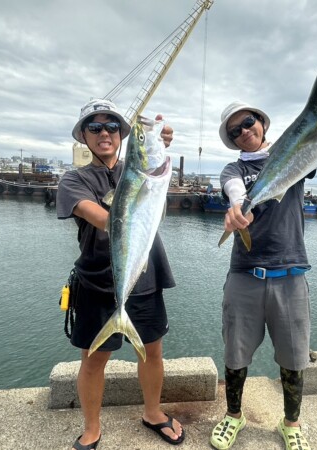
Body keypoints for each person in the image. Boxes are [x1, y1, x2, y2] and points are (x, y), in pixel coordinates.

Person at [57, 98, 184, 449]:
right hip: (97, 282)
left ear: (122, 134)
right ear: (84, 135)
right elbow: (103, 219)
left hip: (147, 278)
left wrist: (156, 142)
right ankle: (92, 426)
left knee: (152, 352)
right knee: (94, 359)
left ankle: (153, 413)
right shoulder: (74, 180)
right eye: (94, 127)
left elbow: (152, 176)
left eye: (112, 126)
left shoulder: (137, 167)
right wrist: (141, 181)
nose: (104, 133)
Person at [210, 101, 317, 450]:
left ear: (261, 122)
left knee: (294, 357)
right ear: (231, 140)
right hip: (245, 274)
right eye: (235, 131)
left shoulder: (292, 159)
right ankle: (233, 416)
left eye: (248, 122)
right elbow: (234, 192)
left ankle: (291, 423)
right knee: (235, 353)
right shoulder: (232, 170)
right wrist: (237, 210)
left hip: (291, 275)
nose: (244, 131)